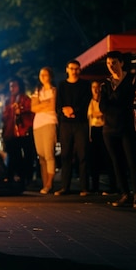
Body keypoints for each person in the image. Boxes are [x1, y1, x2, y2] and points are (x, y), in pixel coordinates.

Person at [100, 51, 136, 208]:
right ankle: (125, 193)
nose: (111, 66)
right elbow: (102, 106)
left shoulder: (132, 80)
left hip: (127, 127)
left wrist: (125, 106)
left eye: (114, 63)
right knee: (117, 162)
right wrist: (120, 103)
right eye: (108, 63)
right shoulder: (105, 84)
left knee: (132, 161)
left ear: (121, 63)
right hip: (109, 128)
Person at [54, 60, 91, 196]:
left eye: (76, 68)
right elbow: (58, 104)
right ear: (67, 69)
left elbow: (86, 102)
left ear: (79, 70)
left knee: (83, 155)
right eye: (71, 68)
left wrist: (73, 110)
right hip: (65, 124)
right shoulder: (62, 85)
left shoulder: (85, 85)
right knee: (65, 155)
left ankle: (84, 187)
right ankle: (65, 187)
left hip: (80, 123)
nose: (74, 71)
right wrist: (64, 110)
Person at [1, 78, 35, 187]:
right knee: (14, 156)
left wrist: (21, 110)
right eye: (11, 86)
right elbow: (4, 117)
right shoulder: (8, 100)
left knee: (27, 156)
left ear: (19, 86)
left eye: (14, 86)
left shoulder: (25, 99)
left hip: (24, 131)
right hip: (11, 133)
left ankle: (27, 178)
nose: (12, 88)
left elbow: (31, 113)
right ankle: (14, 177)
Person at [31, 67, 58, 194]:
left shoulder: (54, 90)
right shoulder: (37, 91)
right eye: (41, 74)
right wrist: (45, 104)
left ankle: (49, 183)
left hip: (50, 122)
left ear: (50, 76)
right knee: (41, 156)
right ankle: (44, 182)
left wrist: (43, 104)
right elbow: (33, 108)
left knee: (49, 154)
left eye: (45, 74)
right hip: (37, 124)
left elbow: (53, 105)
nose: (42, 76)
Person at [88, 80, 115, 194]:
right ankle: (95, 187)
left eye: (98, 87)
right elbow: (90, 117)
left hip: (104, 128)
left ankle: (113, 186)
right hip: (93, 130)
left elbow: (102, 113)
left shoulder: (105, 100)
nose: (96, 89)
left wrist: (97, 114)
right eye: (93, 87)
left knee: (108, 158)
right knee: (94, 159)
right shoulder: (90, 101)